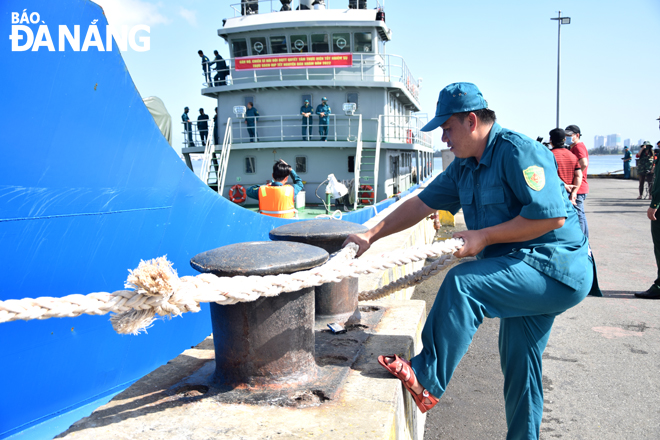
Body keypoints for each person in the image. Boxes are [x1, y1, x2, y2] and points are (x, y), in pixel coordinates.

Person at [343, 82, 596, 439]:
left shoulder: (519, 152)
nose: (443, 138)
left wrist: (484, 236)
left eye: (447, 129)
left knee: (464, 284)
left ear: (471, 121)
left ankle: (427, 380)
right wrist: (371, 235)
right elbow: (420, 204)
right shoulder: (465, 166)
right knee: (520, 366)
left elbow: (551, 218)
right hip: (520, 268)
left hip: (556, 268)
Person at [565, 124, 590, 237]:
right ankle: (583, 237)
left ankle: (582, 238)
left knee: (579, 214)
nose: (567, 137)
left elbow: (584, 163)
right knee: (579, 213)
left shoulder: (578, 146)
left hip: (578, 186)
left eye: (570, 135)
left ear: (577, 135)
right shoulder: (573, 147)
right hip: (577, 185)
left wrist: (576, 174)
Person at [549, 128, 582, 205]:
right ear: (564, 139)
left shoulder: (549, 155)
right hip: (568, 193)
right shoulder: (572, 156)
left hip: (553, 193)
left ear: (550, 140)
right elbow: (578, 176)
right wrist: (574, 192)